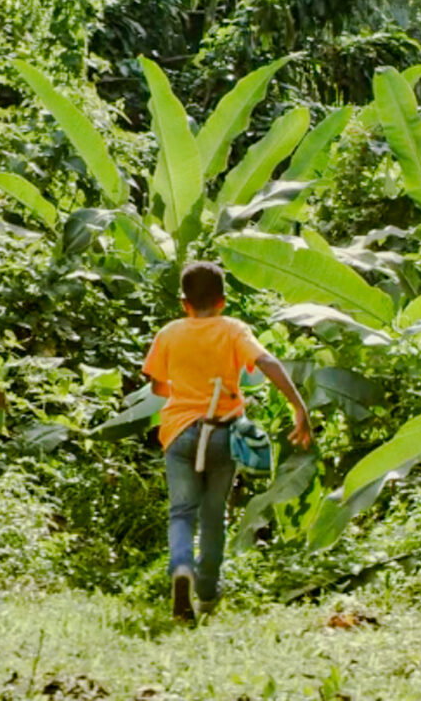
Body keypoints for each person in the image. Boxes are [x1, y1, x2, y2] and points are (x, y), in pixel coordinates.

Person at [143, 260, 312, 621]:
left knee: (182, 512)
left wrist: (176, 386)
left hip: (179, 432)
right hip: (223, 433)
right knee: (213, 515)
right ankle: (206, 593)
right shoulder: (234, 329)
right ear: (222, 301)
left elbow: (157, 385)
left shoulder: (170, 333)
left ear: (183, 302)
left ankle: (181, 568)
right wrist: (299, 407)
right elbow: (267, 362)